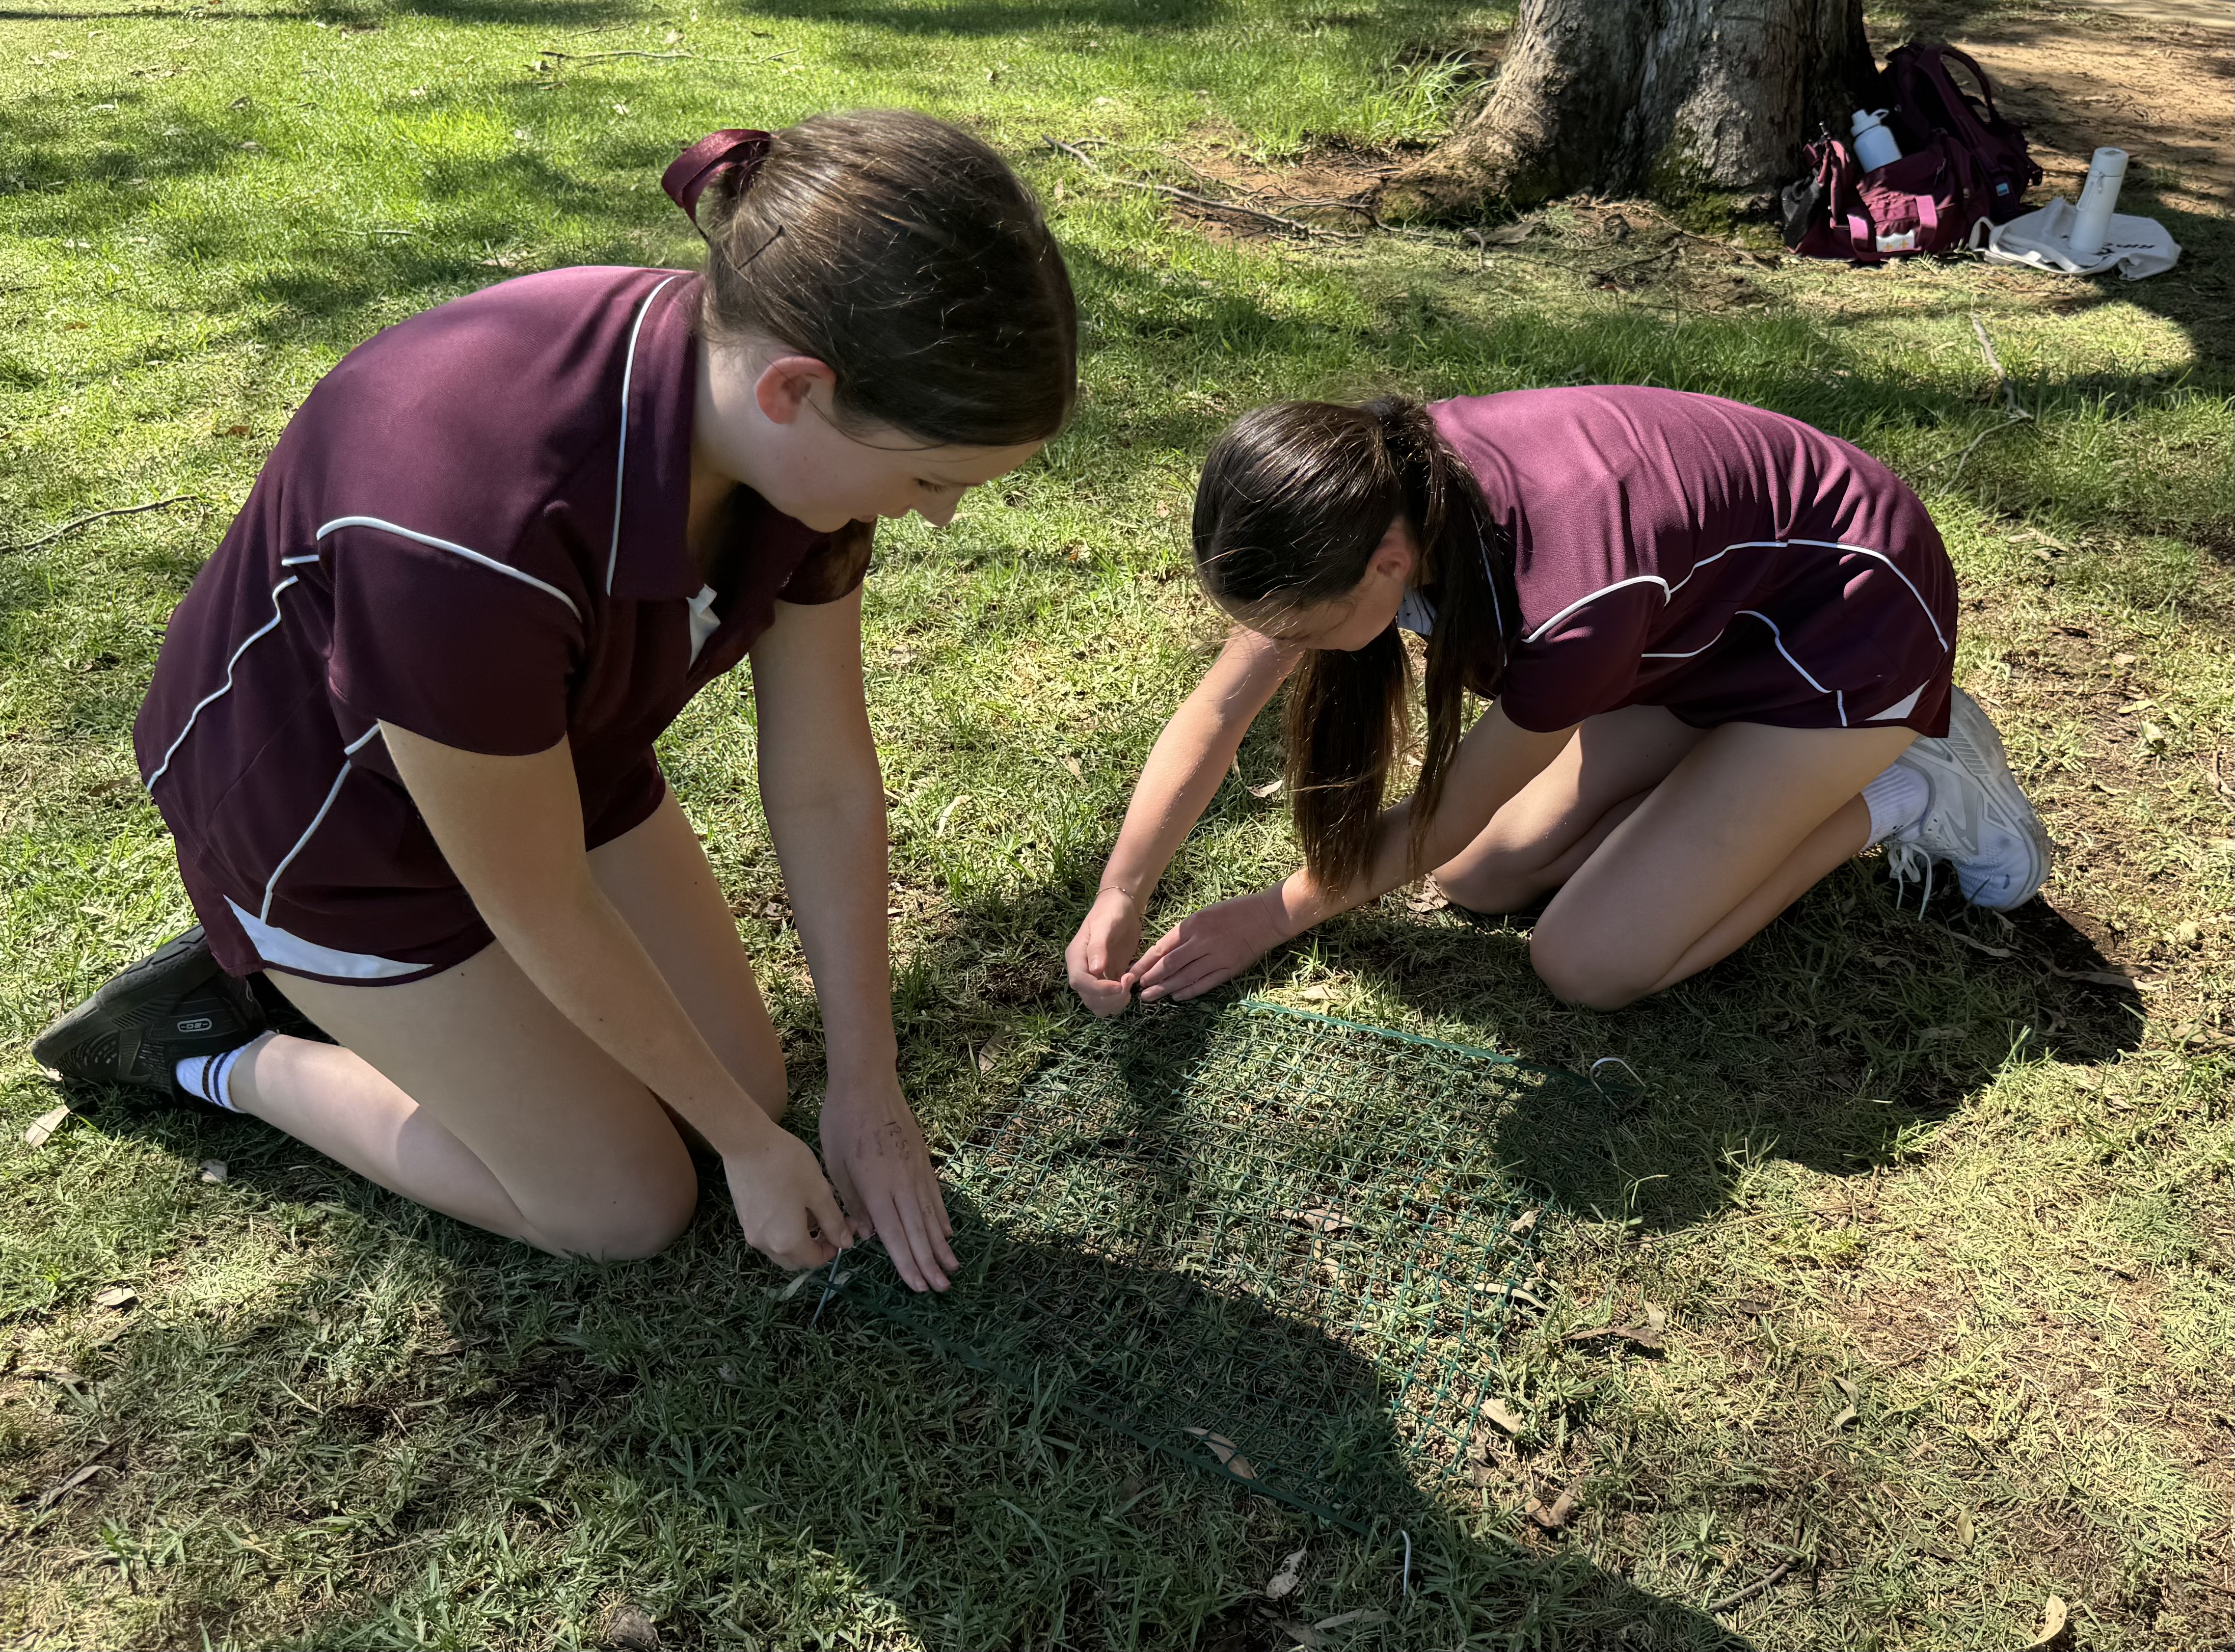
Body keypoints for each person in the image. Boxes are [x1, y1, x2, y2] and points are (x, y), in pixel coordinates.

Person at [36, 113, 1079, 1292]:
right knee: (624, 1201)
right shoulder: (464, 524)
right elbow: (536, 897)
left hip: (555, 755)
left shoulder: (777, 421)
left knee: (751, 1076)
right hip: (335, 834)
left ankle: (431, 1027)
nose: (934, 514)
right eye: (930, 478)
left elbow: (825, 777)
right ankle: (214, 1038)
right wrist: (744, 1148)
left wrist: (865, 1078)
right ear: (798, 387)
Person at [1066, 389, 2051, 1016]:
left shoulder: (1564, 604)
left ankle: (1911, 783)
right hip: (1701, 628)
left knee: (1587, 963)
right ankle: (1735, 780)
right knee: (1479, 883)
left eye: (1304, 629)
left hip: (1848, 632)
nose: (1290, 649)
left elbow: (1451, 812)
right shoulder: (1362, 495)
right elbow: (1217, 713)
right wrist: (1122, 894)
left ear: (1390, 565)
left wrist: (1268, 917)